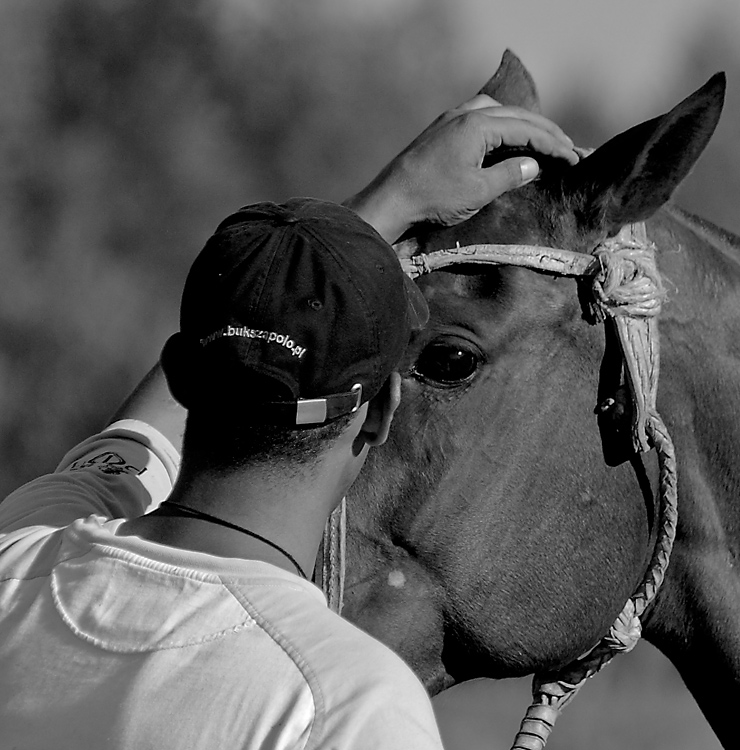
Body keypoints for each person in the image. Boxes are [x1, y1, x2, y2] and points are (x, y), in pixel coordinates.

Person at [0, 95, 578, 749]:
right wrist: (400, 196)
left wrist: (390, 200)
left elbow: (137, 441)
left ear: (184, 373)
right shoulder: (345, 710)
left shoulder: (18, 558)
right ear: (382, 412)